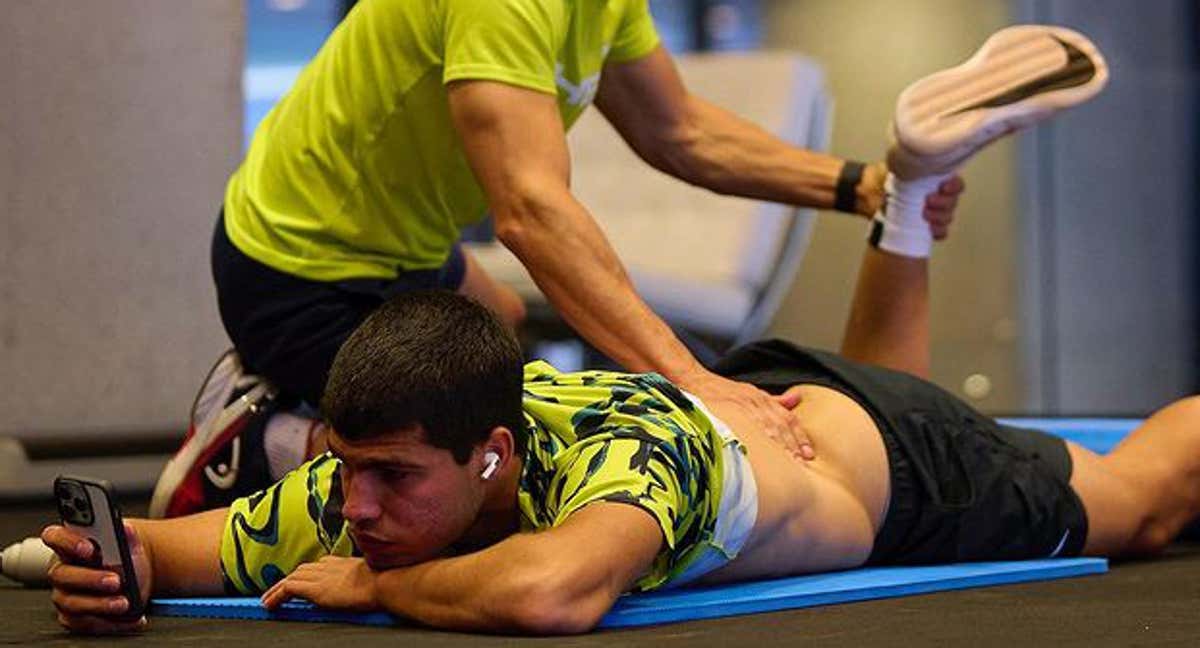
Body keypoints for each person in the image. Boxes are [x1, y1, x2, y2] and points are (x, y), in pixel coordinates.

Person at [45, 25, 1176, 638]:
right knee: (889, 389)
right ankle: (912, 207)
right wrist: (121, 564)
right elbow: (185, 548)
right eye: (349, 480)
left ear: (492, 454)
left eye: (385, 482)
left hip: (891, 466)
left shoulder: (623, 469)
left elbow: (550, 596)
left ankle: (906, 201)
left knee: (1147, 502)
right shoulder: (379, 464)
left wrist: (377, 588)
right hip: (789, 411)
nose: (356, 515)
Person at [147, 0, 968, 517]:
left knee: (499, 334)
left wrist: (862, 184)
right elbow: (533, 214)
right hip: (296, 264)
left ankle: (295, 406)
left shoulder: (607, 4)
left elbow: (681, 132)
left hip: (403, 249)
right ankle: (261, 442)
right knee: (464, 458)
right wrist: (697, 381)